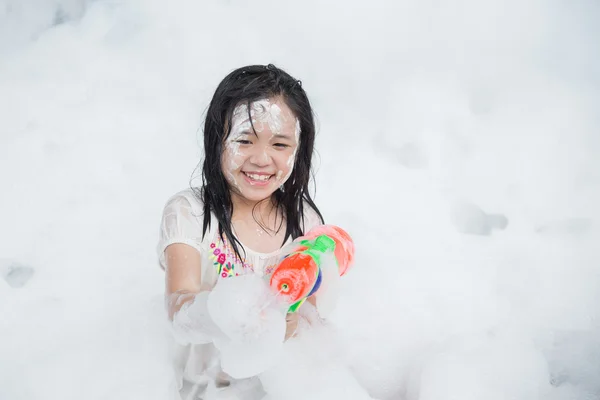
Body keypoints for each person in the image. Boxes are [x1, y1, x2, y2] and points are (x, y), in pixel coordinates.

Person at [156, 64, 325, 399]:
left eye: (279, 145)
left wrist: (293, 324)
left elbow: (311, 312)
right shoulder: (190, 212)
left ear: (299, 150)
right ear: (216, 141)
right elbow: (178, 308)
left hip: (272, 385)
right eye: (245, 140)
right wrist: (225, 313)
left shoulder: (305, 221)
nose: (262, 159)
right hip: (201, 386)